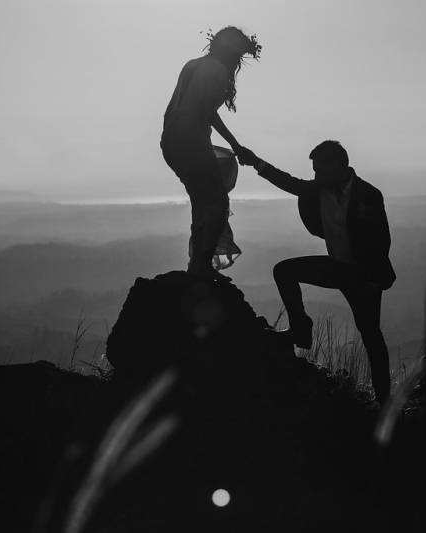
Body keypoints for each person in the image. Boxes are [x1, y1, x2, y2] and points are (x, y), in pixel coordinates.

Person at [242, 141, 396, 400]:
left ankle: (384, 401)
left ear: (339, 167)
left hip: (363, 275)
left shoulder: (368, 194)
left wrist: (373, 280)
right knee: (284, 271)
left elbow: (382, 241)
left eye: (320, 170)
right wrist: (256, 161)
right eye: (314, 171)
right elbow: (288, 182)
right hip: (336, 267)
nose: (315, 176)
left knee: (371, 335)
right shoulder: (318, 189)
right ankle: (301, 330)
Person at [160, 26, 260, 281]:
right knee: (217, 203)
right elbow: (206, 111)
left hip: (172, 141)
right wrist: (236, 146)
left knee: (201, 201)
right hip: (191, 141)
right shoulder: (216, 69)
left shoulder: (194, 64)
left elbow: (183, 108)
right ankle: (201, 266)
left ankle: (197, 264)